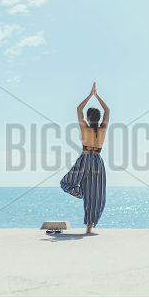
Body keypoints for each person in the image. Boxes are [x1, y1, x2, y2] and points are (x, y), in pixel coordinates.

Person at [60, 82, 110, 234]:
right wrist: (97, 96)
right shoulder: (103, 128)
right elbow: (107, 110)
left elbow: (78, 109)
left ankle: (81, 192)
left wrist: (90, 95)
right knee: (96, 194)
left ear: (88, 117)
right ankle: (89, 227)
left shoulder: (84, 128)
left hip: (85, 158)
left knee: (66, 182)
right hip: (97, 161)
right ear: (99, 117)